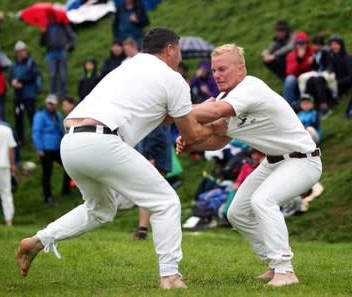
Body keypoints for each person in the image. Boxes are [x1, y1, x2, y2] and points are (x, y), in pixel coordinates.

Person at [16, 27, 224, 289]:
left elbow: (159, 114)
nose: (180, 57)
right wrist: (219, 128)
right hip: (102, 142)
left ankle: (37, 241)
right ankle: (170, 276)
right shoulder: (174, 80)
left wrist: (201, 110)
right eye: (179, 50)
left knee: (101, 209)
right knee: (166, 200)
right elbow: (191, 134)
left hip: (70, 142)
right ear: (170, 49)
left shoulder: (129, 65)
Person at [180, 44, 322, 287]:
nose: (217, 75)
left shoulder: (251, 87)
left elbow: (214, 111)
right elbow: (218, 141)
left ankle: (286, 272)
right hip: (274, 161)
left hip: (303, 160)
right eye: (214, 70)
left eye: (223, 69)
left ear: (241, 69)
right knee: (236, 213)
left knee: (263, 201)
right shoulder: (226, 98)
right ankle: (273, 264)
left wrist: (175, 109)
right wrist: (191, 143)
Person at [133, 125, 172, 240]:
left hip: (152, 151)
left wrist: (148, 154)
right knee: (155, 193)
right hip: (157, 152)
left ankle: (144, 228)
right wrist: (150, 155)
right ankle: (147, 229)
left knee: (150, 193)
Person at [31, 94, 71, 205]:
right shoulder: (40, 115)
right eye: (49, 103)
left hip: (57, 147)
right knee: (47, 173)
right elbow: (36, 132)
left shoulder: (57, 115)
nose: (50, 105)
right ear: (46, 103)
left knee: (69, 167)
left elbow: (60, 130)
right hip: (46, 149)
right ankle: (48, 197)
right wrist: (39, 148)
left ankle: (66, 191)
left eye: (53, 104)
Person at [9, 41, 41, 145]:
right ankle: (20, 139)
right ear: (17, 53)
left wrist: (19, 81)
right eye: (21, 51)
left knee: (32, 117)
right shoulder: (14, 65)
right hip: (18, 96)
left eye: (24, 50)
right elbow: (10, 77)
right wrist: (13, 82)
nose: (24, 53)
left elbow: (33, 75)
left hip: (29, 95)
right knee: (18, 118)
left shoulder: (31, 62)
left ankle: (35, 138)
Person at [0, 108, 17, 227]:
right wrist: (12, 164)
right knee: (6, 192)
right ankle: (9, 220)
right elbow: (11, 148)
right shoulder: (6, 130)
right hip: (3, 163)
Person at [39, 12, 76, 99]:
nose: (50, 18)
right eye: (49, 17)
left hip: (62, 51)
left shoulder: (62, 25)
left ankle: (63, 95)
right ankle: (53, 95)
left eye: (52, 16)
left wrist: (69, 45)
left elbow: (72, 36)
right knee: (52, 75)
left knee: (63, 74)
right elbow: (41, 43)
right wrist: (42, 34)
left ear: (55, 17)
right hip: (50, 53)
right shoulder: (46, 28)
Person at [283, 31, 313, 109]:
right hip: (296, 80)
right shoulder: (291, 55)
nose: (301, 45)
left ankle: (300, 105)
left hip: (308, 80)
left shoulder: (312, 52)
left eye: (303, 42)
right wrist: (300, 59)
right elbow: (290, 72)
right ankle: (287, 106)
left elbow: (311, 69)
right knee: (290, 79)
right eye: (298, 43)